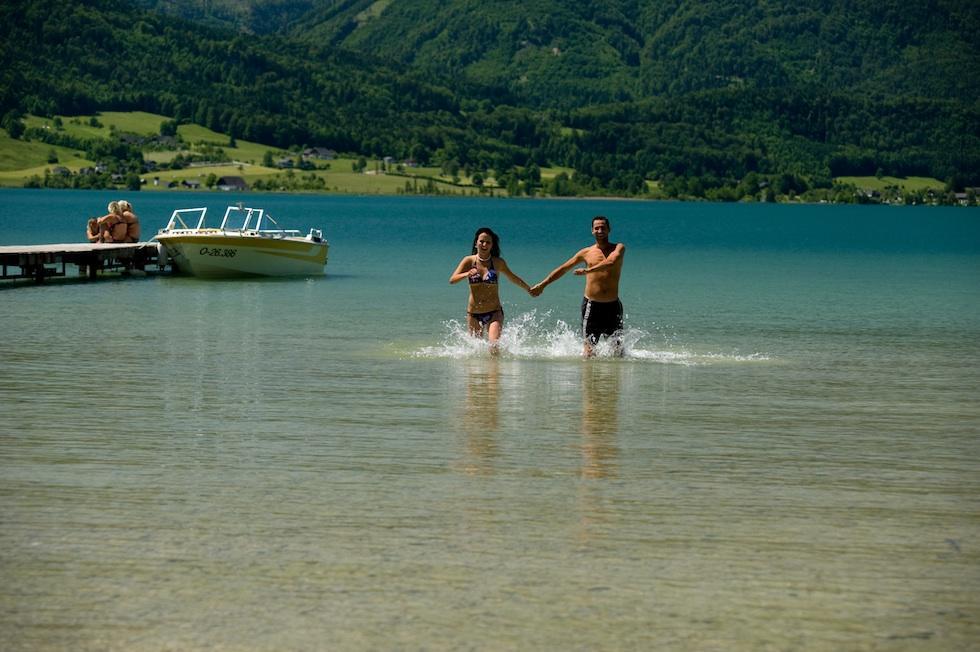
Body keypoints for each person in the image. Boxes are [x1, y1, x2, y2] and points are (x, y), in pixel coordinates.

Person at [530, 215, 626, 356]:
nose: (600, 231)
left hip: (613, 305)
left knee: (618, 352)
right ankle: (589, 377)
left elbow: (611, 262)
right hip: (592, 306)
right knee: (589, 352)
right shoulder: (586, 253)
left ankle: (611, 378)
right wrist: (543, 284)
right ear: (592, 231)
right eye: (596, 228)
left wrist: (588, 270)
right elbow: (563, 268)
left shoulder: (619, 247)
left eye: (603, 228)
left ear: (609, 229)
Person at [450, 227, 533, 351]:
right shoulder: (468, 261)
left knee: (493, 347)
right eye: (481, 241)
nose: (484, 244)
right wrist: (466, 274)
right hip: (473, 314)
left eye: (488, 242)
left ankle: (494, 370)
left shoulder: (498, 262)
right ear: (476, 243)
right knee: (474, 351)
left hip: (494, 312)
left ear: (492, 245)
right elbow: (452, 280)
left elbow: (512, 277)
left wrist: (529, 289)